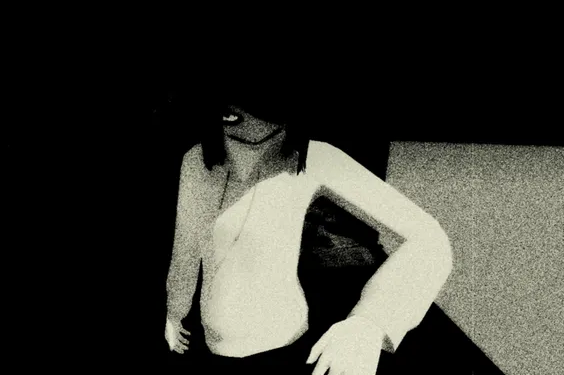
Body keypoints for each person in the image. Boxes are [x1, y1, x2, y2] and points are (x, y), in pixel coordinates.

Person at [164, 94, 454, 374]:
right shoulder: (196, 163)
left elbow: (430, 238)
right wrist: (175, 311)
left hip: (285, 348)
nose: (252, 138)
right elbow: (186, 245)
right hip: (211, 348)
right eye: (232, 119)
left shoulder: (315, 158)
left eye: (269, 121)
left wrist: (370, 321)